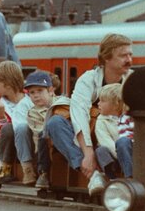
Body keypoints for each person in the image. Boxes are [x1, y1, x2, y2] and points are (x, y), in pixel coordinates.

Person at [43, 33, 134, 196]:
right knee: (55, 123)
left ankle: (131, 176)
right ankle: (94, 175)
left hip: (118, 134)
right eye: (123, 55)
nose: (129, 60)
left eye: (130, 54)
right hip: (91, 135)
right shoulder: (88, 80)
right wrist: (88, 153)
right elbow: (79, 116)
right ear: (107, 58)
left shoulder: (133, 80)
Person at [26, 69, 69, 189]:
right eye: (32, 92)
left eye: (40, 91)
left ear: (50, 90)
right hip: (45, 147)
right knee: (42, 134)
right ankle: (43, 172)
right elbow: (44, 132)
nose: (35, 95)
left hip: (64, 139)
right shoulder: (33, 113)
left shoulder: (64, 103)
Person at [94, 83, 134, 179]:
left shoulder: (129, 117)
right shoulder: (101, 121)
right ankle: (112, 177)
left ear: (116, 104)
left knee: (123, 141)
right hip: (115, 157)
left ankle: (129, 176)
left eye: (102, 101)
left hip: (131, 155)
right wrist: (120, 155)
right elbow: (106, 142)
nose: (98, 104)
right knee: (100, 150)